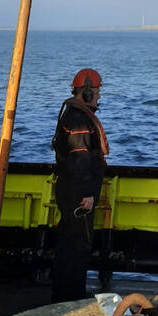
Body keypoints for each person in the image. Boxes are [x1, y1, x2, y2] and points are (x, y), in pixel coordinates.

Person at [50, 67, 109, 303]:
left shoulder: (76, 115)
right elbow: (81, 159)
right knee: (77, 245)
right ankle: (71, 297)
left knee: (69, 242)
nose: (98, 96)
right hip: (77, 192)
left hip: (69, 188)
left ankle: (63, 294)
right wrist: (88, 193)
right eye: (95, 91)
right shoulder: (79, 120)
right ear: (85, 92)